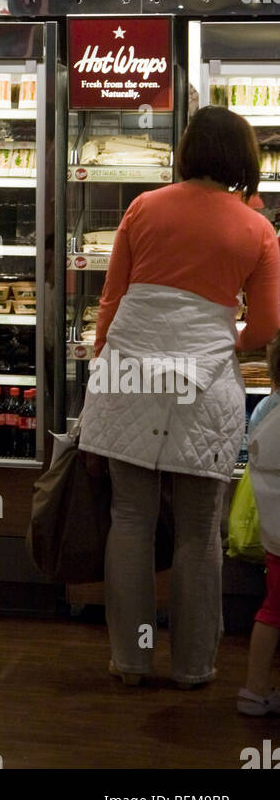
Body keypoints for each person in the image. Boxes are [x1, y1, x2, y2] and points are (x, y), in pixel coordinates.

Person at [78, 106, 280, 688]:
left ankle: (131, 660)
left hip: (129, 375)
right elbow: (265, 328)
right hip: (205, 382)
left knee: (131, 519)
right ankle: (193, 666)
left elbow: (111, 303)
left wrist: (104, 376)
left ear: (188, 151)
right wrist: (218, 340)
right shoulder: (256, 229)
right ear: (245, 158)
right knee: (198, 531)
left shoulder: (144, 208)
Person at [238, 333, 280, 715]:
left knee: (273, 609)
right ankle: (255, 688)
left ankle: (258, 687)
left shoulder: (265, 409)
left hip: (273, 534)